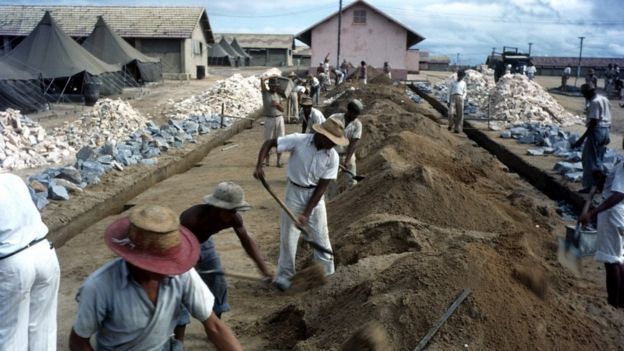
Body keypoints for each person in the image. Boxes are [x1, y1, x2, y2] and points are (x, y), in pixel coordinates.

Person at [68, 205, 243, 351]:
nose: (167, 270)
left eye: (170, 262)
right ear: (137, 258)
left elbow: (214, 326)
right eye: (159, 264)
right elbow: (78, 341)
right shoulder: (99, 286)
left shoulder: (181, 273)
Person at [253, 117, 348, 291]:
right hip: (294, 193)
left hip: (315, 198)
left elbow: (321, 188)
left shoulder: (332, 156)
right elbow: (269, 143)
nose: (333, 145)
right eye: (331, 141)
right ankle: (285, 278)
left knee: (322, 239)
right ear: (322, 135)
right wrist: (260, 165)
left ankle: (328, 278)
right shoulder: (299, 140)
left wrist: (306, 213)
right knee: (288, 238)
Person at [173, 182, 273, 341]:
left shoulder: (233, 218)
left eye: (234, 210)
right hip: (182, 246)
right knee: (182, 291)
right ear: (215, 206)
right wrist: (190, 266)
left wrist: (264, 269)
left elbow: (246, 241)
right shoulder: (191, 218)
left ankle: (214, 332)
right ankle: (178, 341)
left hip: (205, 243)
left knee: (217, 285)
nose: (231, 214)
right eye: (228, 210)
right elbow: (179, 246)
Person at [0, 173, 60, 350]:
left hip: (14, 264)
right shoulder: (13, 179)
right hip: (44, 251)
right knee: (43, 328)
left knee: (10, 335)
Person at [580, 157, 624, 308]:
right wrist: (606, 180)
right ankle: (620, 300)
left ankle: (613, 301)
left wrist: (592, 213)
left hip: (613, 214)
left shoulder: (623, 165)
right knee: (618, 257)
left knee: (611, 260)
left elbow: (619, 194)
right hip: (620, 214)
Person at [571, 83, 611, 192]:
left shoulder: (594, 102)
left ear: (589, 93)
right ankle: (599, 184)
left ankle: (590, 186)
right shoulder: (604, 98)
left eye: (584, 94)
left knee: (589, 160)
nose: (584, 97)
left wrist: (581, 139)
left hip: (596, 131)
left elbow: (593, 122)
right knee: (598, 159)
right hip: (606, 130)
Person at [328, 99, 364, 186]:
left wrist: (347, 161)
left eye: (357, 114)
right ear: (349, 111)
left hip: (347, 154)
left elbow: (353, 144)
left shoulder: (357, 124)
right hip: (332, 153)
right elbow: (325, 134)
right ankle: (332, 199)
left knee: (352, 181)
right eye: (354, 114)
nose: (356, 116)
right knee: (330, 181)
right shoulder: (335, 118)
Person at [260, 76, 285, 167]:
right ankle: (267, 161)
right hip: (269, 119)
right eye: (273, 85)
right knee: (268, 140)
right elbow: (262, 79)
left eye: (276, 85)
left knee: (280, 140)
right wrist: (273, 76)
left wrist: (277, 104)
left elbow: (282, 109)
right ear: (269, 85)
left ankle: (278, 161)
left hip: (279, 118)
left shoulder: (278, 95)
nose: (275, 87)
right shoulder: (265, 93)